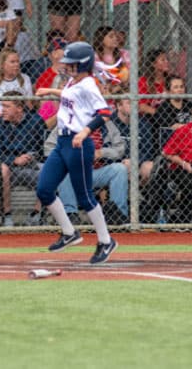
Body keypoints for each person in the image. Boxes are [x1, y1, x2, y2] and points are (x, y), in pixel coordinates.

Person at [35, 41, 118, 264]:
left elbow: (105, 113)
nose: (67, 67)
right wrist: (52, 90)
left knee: (84, 196)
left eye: (71, 64)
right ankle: (70, 233)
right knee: (44, 189)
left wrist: (85, 132)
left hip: (78, 143)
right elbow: (72, 96)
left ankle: (105, 240)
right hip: (63, 141)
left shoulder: (89, 84)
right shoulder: (75, 80)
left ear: (82, 65)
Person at [44, 118, 129, 224]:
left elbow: (120, 149)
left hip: (97, 172)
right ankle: (70, 214)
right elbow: (48, 148)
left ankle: (117, 214)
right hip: (73, 173)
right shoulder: (67, 123)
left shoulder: (106, 123)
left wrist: (101, 153)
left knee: (120, 169)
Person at [0, 91, 47, 226]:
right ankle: (7, 215)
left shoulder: (35, 121)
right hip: (10, 169)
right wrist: (14, 160)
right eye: (2, 106)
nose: (3, 110)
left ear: (19, 108)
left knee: (49, 169)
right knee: (2, 169)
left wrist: (31, 156)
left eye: (7, 106)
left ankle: (36, 214)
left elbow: (43, 147)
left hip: (32, 165)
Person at [112, 95, 155, 187]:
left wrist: (134, 161)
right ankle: (131, 195)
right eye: (129, 103)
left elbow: (148, 151)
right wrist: (122, 162)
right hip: (116, 163)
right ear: (119, 106)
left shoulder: (144, 123)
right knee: (123, 167)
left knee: (149, 166)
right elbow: (107, 149)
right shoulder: (110, 122)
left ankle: (140, 195)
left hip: (137, 162)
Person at [138, 49, 169, 117]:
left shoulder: (170, 80)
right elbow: (142, 106)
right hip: (149, 118)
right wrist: (161, 116)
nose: (167, 62)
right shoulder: (143, 81)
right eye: (163, 60)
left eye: (167, 59)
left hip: (168, 117)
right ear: (153, 64)